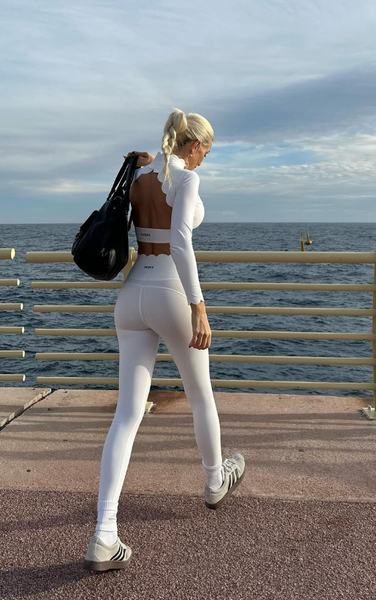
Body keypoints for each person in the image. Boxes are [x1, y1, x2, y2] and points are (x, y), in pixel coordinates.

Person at [83, 108, 245, 572]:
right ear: (194, 145)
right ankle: (216, 480)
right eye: (206, 149)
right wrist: (198, 306)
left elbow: (155, 187)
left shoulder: (141, 176)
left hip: (132, 293)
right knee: (200, 397)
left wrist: (154, 160)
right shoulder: (187, 180)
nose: (206, 158)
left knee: (128, 414)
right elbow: (180, 242)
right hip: (172, 291)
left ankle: (104, 533)